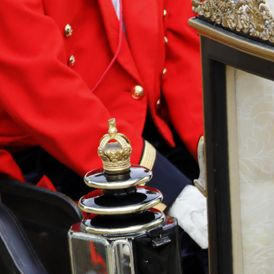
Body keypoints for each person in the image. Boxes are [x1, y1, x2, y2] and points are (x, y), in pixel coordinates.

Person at [0, 0, 208, 259]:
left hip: (144, 129)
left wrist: (211, 148)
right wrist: (171, 188)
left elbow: (179, 41)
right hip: (52, 150)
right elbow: (42, 87)